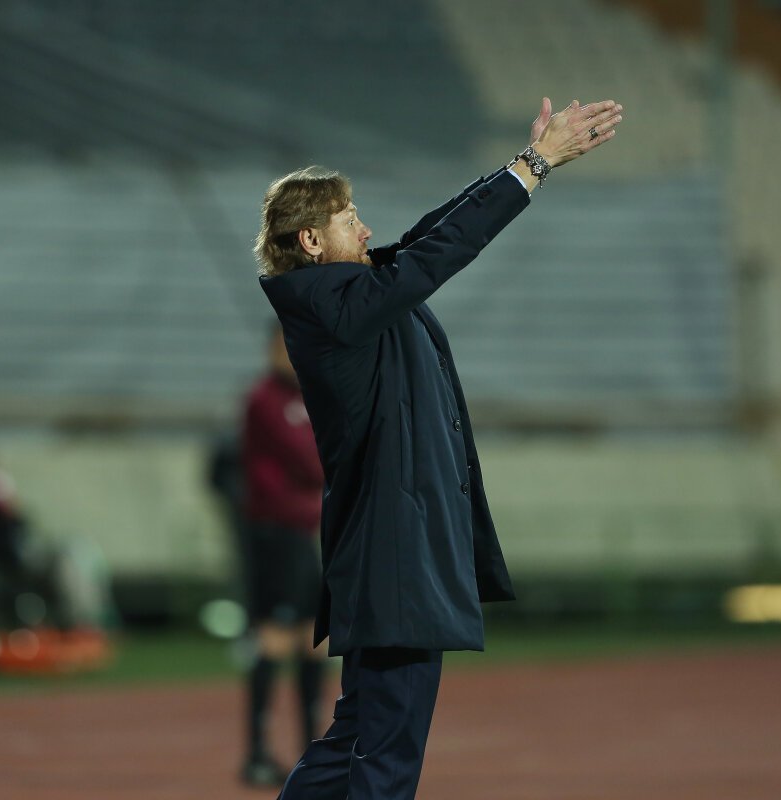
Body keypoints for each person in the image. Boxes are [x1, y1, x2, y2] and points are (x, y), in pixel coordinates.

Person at [255, 97, 622, 800]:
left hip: (392, 557)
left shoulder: (351, 296)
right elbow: (437, 256)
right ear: (310, 241)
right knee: (387, 753)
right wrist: (536, 165)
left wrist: (523, 163)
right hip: (396, 559)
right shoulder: (335, 309)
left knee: (356, 740)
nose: (366, 228)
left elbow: (429, 238)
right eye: (348, 219)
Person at [239, 321, 327, 786]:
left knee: (314, 636)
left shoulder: (305, 396)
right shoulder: (265, 400)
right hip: (275, 534)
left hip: (303, 534)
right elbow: (311, 459)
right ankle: (257, 753)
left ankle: (313, 750)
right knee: (275, 633)